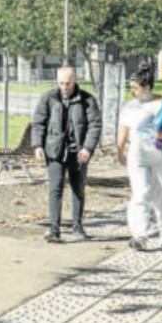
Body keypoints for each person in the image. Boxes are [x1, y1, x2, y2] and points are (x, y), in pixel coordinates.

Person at [32, 67, 103, 243]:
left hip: (78, 152)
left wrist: (87, 148)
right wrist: (38, 145)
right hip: (55, 151)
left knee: (78, 189)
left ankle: (78, 226)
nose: (65, 87)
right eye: (62, 83)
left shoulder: (87, 100)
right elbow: (39, 123)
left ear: (75, 81)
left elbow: (95, 125)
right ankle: (54, 229)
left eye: (68, 83)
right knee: (55, 188)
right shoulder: (49, 98)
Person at [117, 62, 162, 250]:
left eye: (135, 88)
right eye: (130, 88)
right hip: (138, 154)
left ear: (146, 88)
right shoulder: (130, 107)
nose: (132, 92)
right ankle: (140, 234)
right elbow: (123, 129)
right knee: (140, 192)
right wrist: (119, 150)